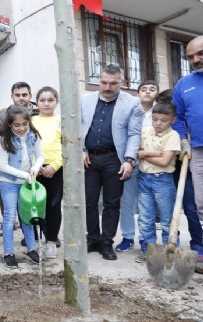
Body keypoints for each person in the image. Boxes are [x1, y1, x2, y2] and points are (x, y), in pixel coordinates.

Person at [81, 64, 143, 261]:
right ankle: (92, 238)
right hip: (88, 158)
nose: (107, 87)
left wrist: (129, 160)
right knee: (89, 202)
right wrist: (79, 151)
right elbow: (74, 126)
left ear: (122, 83)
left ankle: (107, 242)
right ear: (99, 81)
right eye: (103, 82)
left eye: (113, 83)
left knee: (111, 203)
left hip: (114, 159)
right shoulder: (85, 100)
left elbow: (134, 134)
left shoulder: (133, 104)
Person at [0, 104, 44, 268]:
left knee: (28, 217)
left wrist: (36, 168)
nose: (22, 128)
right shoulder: (4, 139)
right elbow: (3, 166)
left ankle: (32, 249)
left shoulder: (34, 135)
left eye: (25, 124)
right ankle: (8, 253)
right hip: (9, 183)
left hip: (26, 184)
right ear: (10, 124)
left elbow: (40, 156)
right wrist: (24, 174)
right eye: (17, 125)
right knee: (9, 218)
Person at [171, 35, 203, 272]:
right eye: (190, 56)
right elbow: (178, 117)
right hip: (198, 149)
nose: (195, 59)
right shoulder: (184, 84)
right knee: (200, 202)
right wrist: (182, 139)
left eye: (200, 54)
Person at [116, 80, 158, 252]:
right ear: (138, 92)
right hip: (131, 162)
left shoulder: (160, 112)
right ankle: (127, 236)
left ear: (157, 93)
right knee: (126, 201)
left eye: (152, 89)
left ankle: (146, 238)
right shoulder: (131, 109)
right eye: (144, 89)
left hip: (154, 164)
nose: (147, 92)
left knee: (147, 203)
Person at [135, 101, 180, 263]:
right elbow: (135, 152)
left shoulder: (172, 136)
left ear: (173, 120)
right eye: (155, 119)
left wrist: (143, 154)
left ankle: (171, 253)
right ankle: (149, 252)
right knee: (145, 219)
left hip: (163, 181)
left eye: (163, 120)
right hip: (144, 179)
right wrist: (153, 152)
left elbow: (165, 162)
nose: (158, 123)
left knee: (167, 221)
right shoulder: (145, 132)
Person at [32, 87, 63, 259]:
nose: (46, 103)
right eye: (42, 100)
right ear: (37, 102)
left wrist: (55, 165)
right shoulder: (31, 121)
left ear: (56, 102)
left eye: (50, 100)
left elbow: (67, 145)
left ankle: (51, 241)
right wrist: (35, 166)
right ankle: (35, 241)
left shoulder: (62, 120)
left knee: (53, 205)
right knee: (34, 206)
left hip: (54, 168)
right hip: (34, 169)